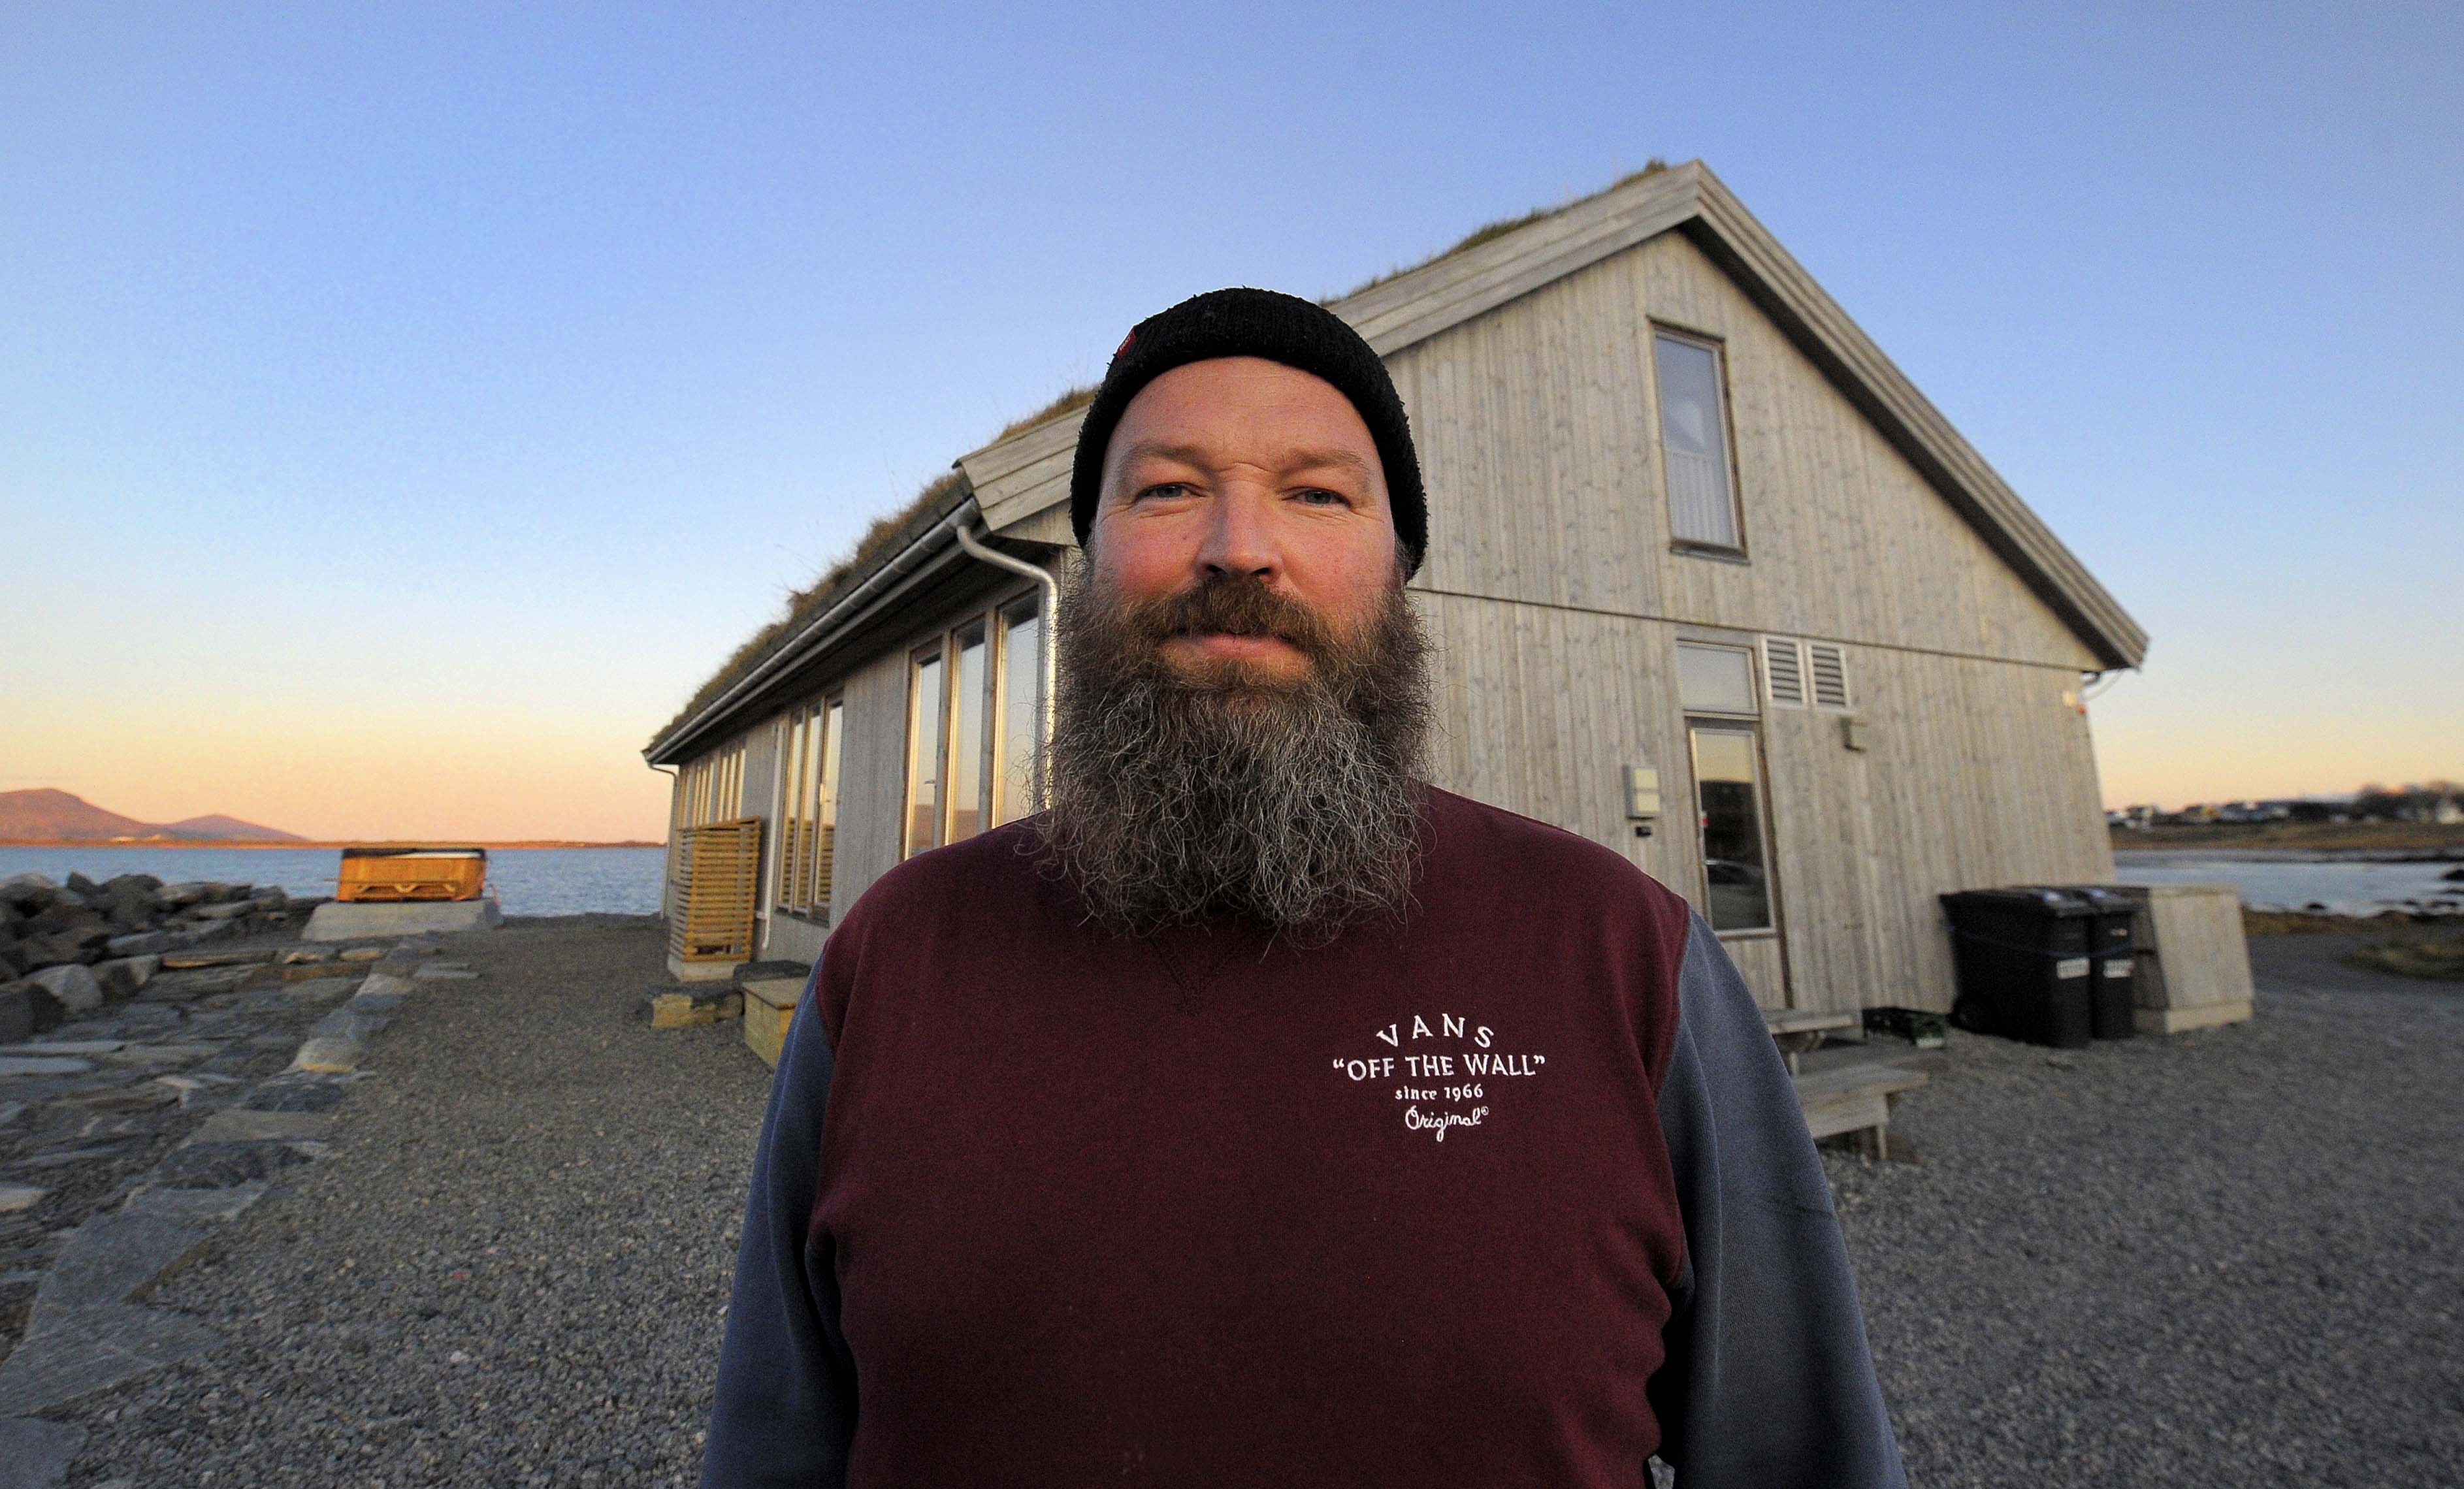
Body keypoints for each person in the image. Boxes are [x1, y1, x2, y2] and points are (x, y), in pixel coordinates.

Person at [701, 288, 1907, 1488]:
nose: (1239, 545)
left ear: (1397, 572)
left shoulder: (1624, 951)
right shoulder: (896, 958)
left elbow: (1800, 1453)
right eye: (1168, 488)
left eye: (1318, 493)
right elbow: (772, 1450)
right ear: (1091, 559)